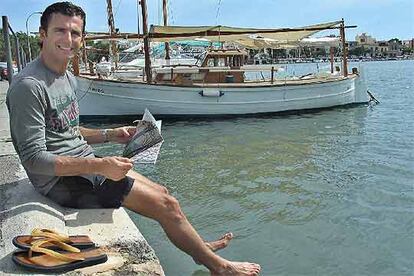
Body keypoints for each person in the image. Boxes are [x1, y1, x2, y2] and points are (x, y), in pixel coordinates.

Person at [6, 2, 261, 275]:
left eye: (75, 33)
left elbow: (66, 130)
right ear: (42, 34)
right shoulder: (28, 87)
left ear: (82, 37)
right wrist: (99, 166)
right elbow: (33, 159)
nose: (68, 39)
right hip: (63, 182)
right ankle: (218, 267)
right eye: (60, 31)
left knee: (163, 193)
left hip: (86, 165)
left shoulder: (67, 76)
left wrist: (111, 134)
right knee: (167, 206)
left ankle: (198, 248)